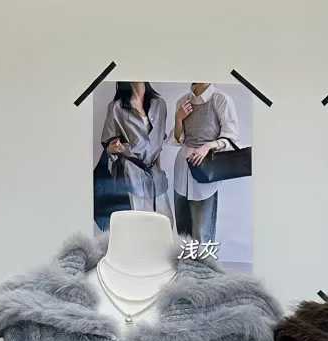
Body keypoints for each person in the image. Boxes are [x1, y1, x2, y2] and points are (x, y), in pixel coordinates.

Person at [171, 83, 240, 243]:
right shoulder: (182, 101)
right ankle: (186, 260)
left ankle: (202, 261)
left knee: (202, 233)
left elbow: (231, 137)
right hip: (182, 171)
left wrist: (208, 146)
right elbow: (178, 139)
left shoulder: (220, 99)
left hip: (205, 170)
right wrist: (178, 118)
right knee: (182, 232)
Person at [97, 82, 172, 227]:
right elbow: (109, 146)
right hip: (130, 175)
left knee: (164, 225)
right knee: (137, 226)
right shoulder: (116, 107)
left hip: (155, 175)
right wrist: (113, 148)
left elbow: (158, 144)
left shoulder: (160, 104)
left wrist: (159, 171)